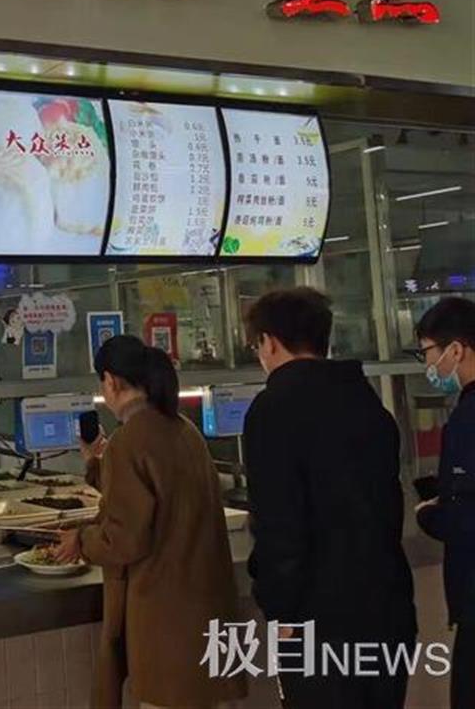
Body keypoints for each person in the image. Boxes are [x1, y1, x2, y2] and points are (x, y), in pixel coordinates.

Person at [243, 288, 416, 709]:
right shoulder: (368, 404)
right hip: (387, 612)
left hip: (319, 623)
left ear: (268, 342)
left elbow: (280, 525)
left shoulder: (272, 409)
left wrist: (280, 611)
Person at [56, 335, 245, 709]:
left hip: (168, 624)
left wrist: (81, 540)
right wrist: (95, 464)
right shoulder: (183, 430)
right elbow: (155, 496)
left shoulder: (130, 440)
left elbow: (124, 539)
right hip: (209, 617)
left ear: (111, 381)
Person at [413, 297, 475, 709]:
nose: (428, 365)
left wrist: (432, 515)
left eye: (427, 352)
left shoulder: (469, 417)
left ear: (456, 349)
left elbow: (467, 517)